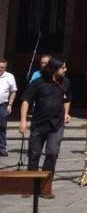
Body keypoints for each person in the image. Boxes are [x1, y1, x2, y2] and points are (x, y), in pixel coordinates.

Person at [20, 58, 72, 193]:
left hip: (57, 124)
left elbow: (67, 99)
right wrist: (23, 120)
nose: (65, 70)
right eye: (63, 68)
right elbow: (26, 100)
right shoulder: (38, 83)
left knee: (52, 153)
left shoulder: (65, 82)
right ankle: (31, 185)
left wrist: (66, 113)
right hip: (39, 124)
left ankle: (45, 186)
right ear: (54, 69)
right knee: (34, 154)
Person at [0, 59, 17, 157]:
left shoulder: (10, 76)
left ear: (5, 68)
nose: (0, 69)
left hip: (3, 105)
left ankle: (2, 148)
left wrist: (10, 105)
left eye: (2, 67)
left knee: (2, 127)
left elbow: (13, 91)